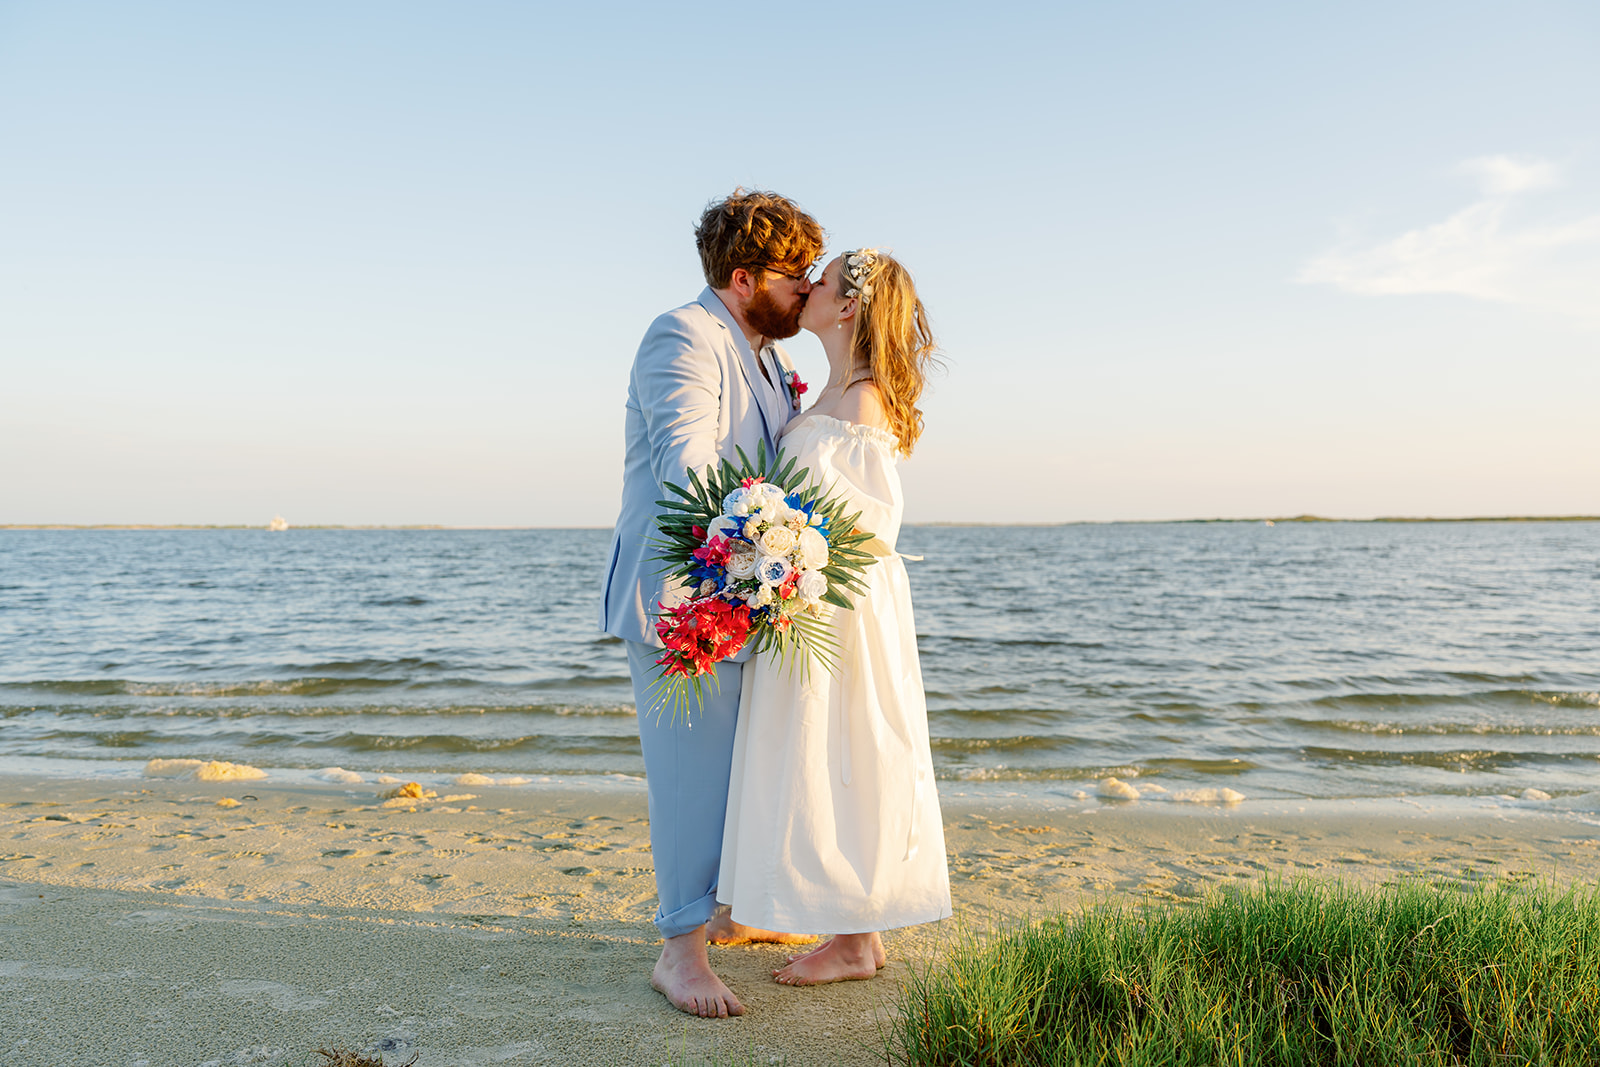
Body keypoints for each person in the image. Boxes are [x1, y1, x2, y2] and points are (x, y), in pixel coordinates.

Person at [599, 190, 825, 1018]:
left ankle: (729, 912)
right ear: (743, 277)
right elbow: (687, 465)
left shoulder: (761, 356)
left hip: (747, 594)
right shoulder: (684, 335)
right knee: (691, 777)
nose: (806, 288)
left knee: (741, 769)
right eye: (795, 274)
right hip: (683, 599)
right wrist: (764, 537)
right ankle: (679, 952)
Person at [718, 249, 952, 985]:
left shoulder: (864, 401)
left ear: (848, 306)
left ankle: (855, 940)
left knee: (845, 751)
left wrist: (783, 547)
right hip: (808, 598)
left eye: (819, 280)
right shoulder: (829, 391)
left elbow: (868, 522)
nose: (806, 286)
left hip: (844, 606)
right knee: (804, 753)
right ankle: (788, 905)